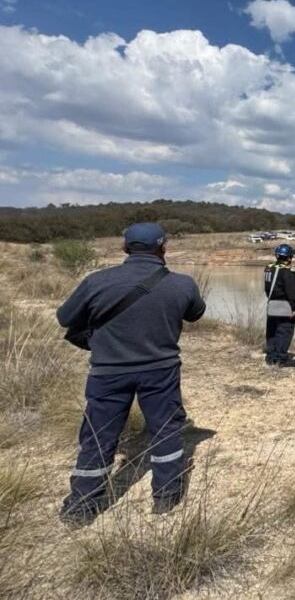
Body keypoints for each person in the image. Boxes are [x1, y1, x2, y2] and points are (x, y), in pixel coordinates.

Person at [56, 223, 205, 524]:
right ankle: (166, 496)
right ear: (164, 248)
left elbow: (64, 317)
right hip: (161, 370)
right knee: (165, 430)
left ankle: (81, 506)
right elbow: (195, 313)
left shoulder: (96, 281)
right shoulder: (182, 284)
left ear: (125, 248)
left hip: (107, 372)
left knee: (98, 436)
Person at [264, 243, 295, 366]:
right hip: (285, 306)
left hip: (272, 304)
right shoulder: (288, 272)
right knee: (284, 331)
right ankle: (280, 359)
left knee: (272, 331)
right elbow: (292, 292)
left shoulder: (268, 268)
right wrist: (294, 307)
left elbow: (267, 289)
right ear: (289, 257)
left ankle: (270, 356)